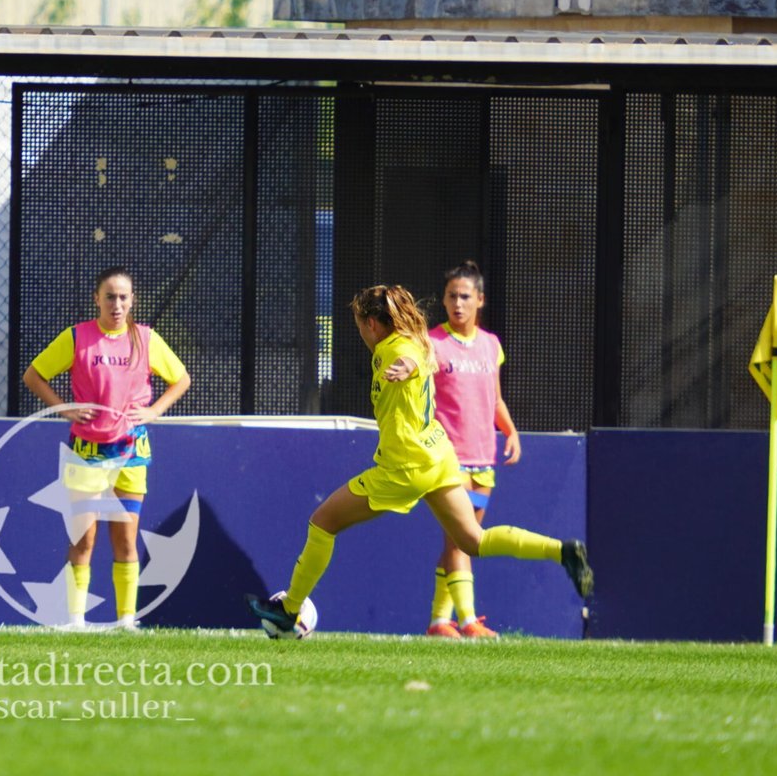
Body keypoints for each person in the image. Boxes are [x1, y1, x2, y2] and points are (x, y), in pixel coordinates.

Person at [247, 284, 591, 638]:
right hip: (438, 457)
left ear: (372, 325)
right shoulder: (418, 340)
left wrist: (404, 367)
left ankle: (289, 610)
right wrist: (411, 363)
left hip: (405, 468)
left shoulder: (396, 347)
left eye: (360, 325)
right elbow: (422, 355)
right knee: (472, 539)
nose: (362, 333)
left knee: (322, 522)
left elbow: (411, 357)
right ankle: (561, 551)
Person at [22, 267, 191, 629]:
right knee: (84, 539)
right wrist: (64, 408)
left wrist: (154, 411)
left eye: (124, 297)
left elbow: (181, 378)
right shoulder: (77, 337)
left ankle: (126, 621)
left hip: (131, 452)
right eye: (110, 296)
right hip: (86, 453)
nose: (117, 304)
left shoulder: (145, 339)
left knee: (126, 539)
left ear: (133, 302)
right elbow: (33, 375)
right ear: (96, 299)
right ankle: (74, 620)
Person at [424, 261, 519, 639]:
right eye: (451, 296)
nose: (458, 303)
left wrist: (510, 431)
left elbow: (495, 399)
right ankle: (466, 621)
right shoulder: (433, 342)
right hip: (451, 458)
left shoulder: (491, 345)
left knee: (464, 541)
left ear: (480, 300)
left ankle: (438, 621)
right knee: (461, 540)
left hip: (485, 458)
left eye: (465, 296)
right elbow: (423, 400)